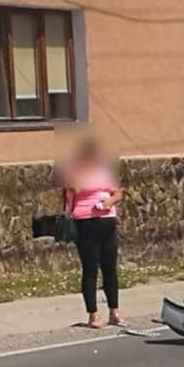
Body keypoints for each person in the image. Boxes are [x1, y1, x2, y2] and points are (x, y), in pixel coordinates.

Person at [58, 136, 126, 329]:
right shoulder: (73, 170)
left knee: (110, 269)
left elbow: (118, 193)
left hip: (107, 221)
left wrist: (109, 201)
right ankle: (93, 315)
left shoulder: (103, 170)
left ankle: (114, 311)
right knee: (90, 269)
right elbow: (75, 188)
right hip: (85, 222)